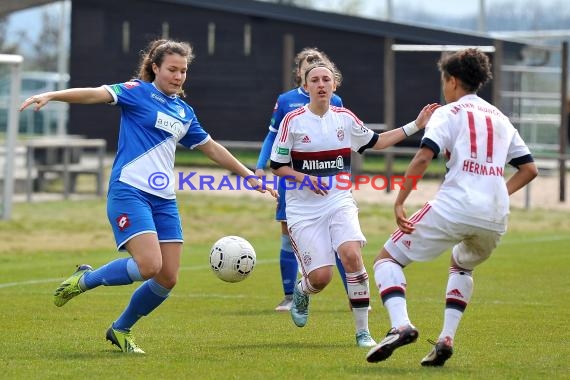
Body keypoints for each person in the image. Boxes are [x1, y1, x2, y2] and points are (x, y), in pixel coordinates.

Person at [19, 39, 276, 354]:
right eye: (172, 69)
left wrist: (247, 174)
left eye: (183, 71)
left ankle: (121, 329)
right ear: (155, 67)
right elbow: (96, 93)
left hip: (164, 199)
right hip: (130, 191)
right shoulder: (136, 91)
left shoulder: (184, 111)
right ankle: (86, 279)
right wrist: (53, 94)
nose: (178, 76)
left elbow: (211, 147)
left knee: (168, 277)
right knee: (149, 265)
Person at [365, 48, 538, 366]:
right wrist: (496, 192)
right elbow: (529, 169)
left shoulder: (448, 113)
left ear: (453, 80)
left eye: (444, 80)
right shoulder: (501, 119)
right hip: (495, 216)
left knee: (386, 260)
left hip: (454, 206)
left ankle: (401, 325)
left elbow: (422, 157)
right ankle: (445, 338)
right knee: (462, 265)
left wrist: (400, 200)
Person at [270, 59, 439, 347]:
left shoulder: (345, 118)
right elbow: (277, 165)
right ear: (306, 86)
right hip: (304, 210)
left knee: (351, 255)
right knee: (321, 278)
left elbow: (378, 141)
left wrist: (416, 126)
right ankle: (302, 290)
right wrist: (305, 179)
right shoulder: (293, 120)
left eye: (326, 80)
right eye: (315, 80)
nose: (321, 85)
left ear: (334, 85)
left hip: (339, 201)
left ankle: (363, 332)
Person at [255, 47, 350, 312]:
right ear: (300, 72)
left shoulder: (337, 102)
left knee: (339, 237)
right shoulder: (286, 101)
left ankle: (353, 295)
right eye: (309, 66)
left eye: (320, 66)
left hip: (327, 181)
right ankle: (289, 296)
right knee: (288, 236)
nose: (315, 72)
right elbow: (272, 136)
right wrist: (260, 166)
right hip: (292, 179)